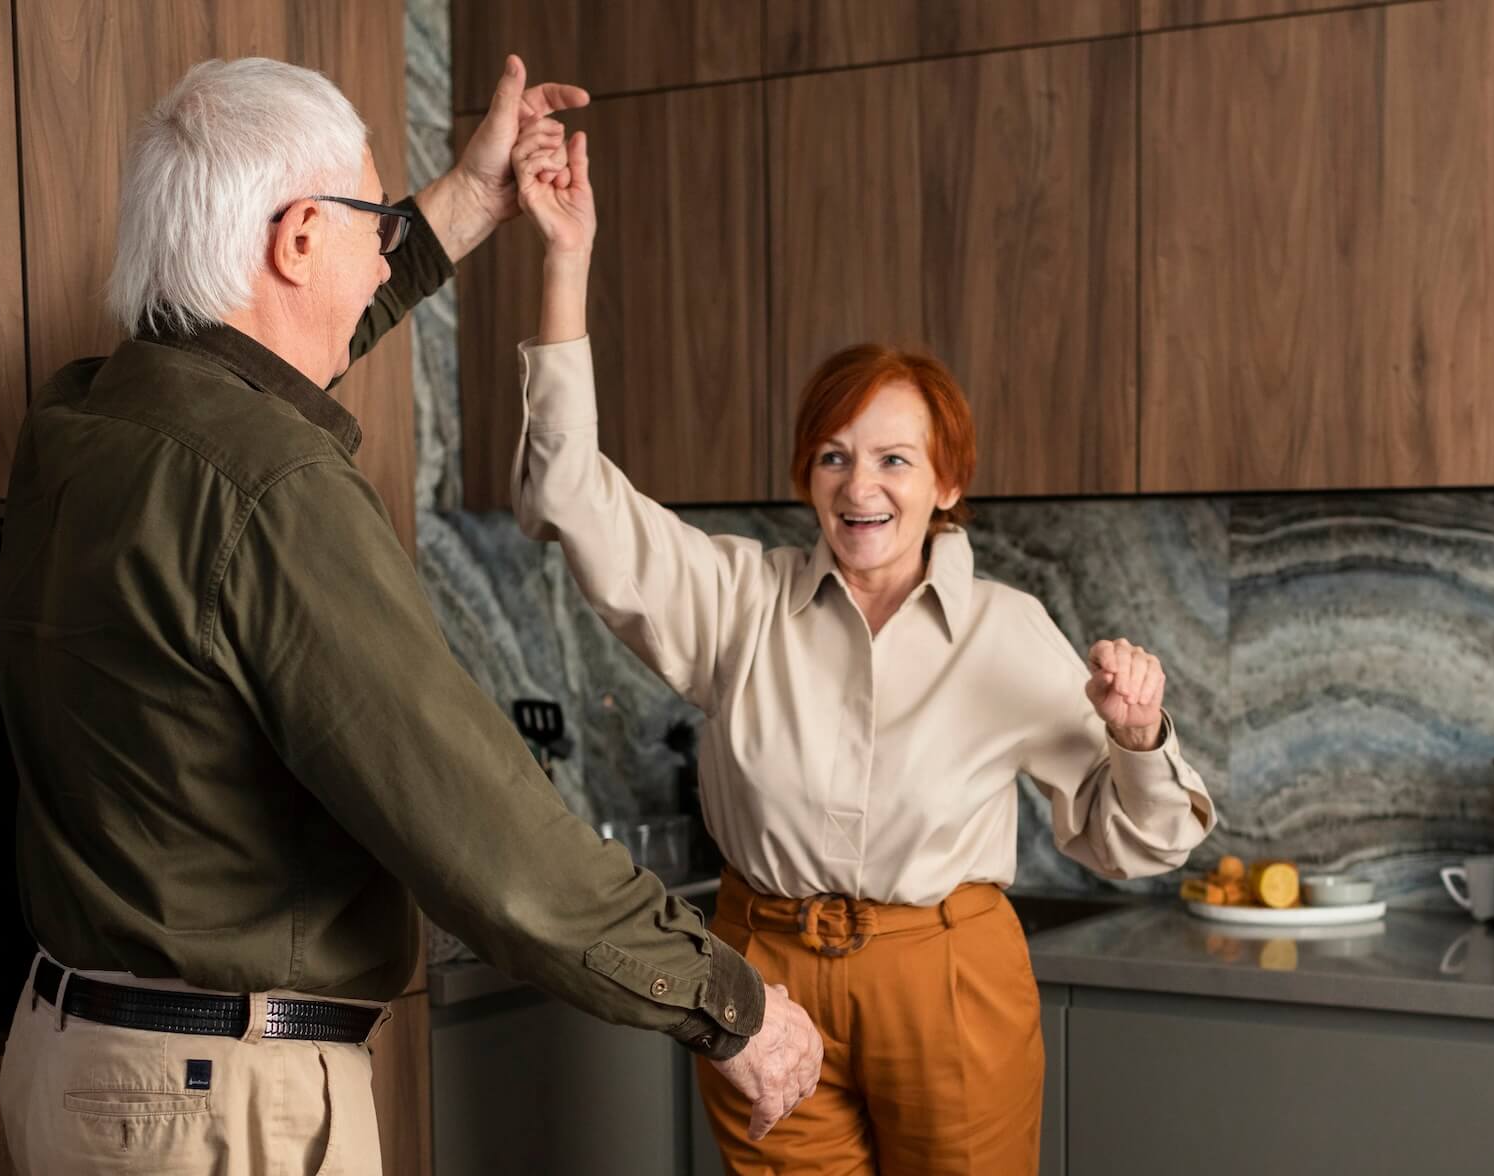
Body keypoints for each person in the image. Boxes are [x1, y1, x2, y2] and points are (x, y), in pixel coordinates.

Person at [0, 55, 820, 1174]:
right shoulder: (275, 492)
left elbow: (252, 372)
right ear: (293, 241)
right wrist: (729, 1004)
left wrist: (458, 208)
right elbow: (491, 839)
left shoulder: (85, 419)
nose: (385, 244)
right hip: (215, 1108)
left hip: (74, 1064)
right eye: (373, 221)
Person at [510, 127, 1216, 1174]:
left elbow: (1135, 843)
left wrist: (1140, 736)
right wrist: (565, 262)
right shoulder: (738, 599)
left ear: (946, 484)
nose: (859, 486)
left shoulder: (1006, 633)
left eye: (894, 458)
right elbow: (572, 492)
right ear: (807, 476)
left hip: (948, 977)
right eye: (834, 457)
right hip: (764, 979)